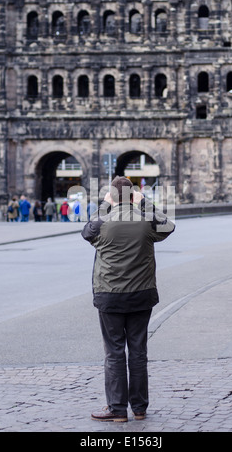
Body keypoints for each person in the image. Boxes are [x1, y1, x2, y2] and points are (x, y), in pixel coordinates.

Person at [81, 176, 175, 423]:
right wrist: (145, 205)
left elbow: (86, 230)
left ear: (111, 196)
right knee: (138, 352)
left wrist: (105, 204)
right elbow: (169, 226)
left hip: (109, 296)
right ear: (134, 196)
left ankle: (117, 409)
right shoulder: (146, 223)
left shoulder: (102, 223)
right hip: (141, 296)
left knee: (113, 353)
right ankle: (140, 408)